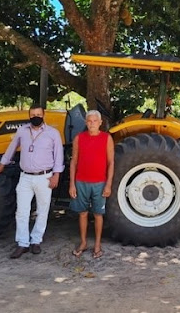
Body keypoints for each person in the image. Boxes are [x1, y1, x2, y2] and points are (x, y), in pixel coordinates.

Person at [0, 103, 64, 259]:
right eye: (33, 114)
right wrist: (2, 164)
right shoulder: (22, 131)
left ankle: (36, 241)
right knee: (21, 212)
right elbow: (12, 147)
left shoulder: (53, 133)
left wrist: (56, 175)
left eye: (38, 114)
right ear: (29, 115)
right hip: (25, 177)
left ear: (44, 115)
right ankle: (22, 243)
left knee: (42, 211)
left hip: (45, 177)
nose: (35, 117)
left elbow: (59, 155)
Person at [69, 110, 114, 259]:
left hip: (99, 183)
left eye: (95, 121)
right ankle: (83, 243)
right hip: (81, 181)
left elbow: (111, 162)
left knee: (98, 214)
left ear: (100, 123)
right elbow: (74, 161)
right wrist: (72, 184)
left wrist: (108, 184)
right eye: (89, 121)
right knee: (82, 213)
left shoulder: (106, 138)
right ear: (85, 122)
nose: (92, 123)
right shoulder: (79, 138)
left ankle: (97, 244)